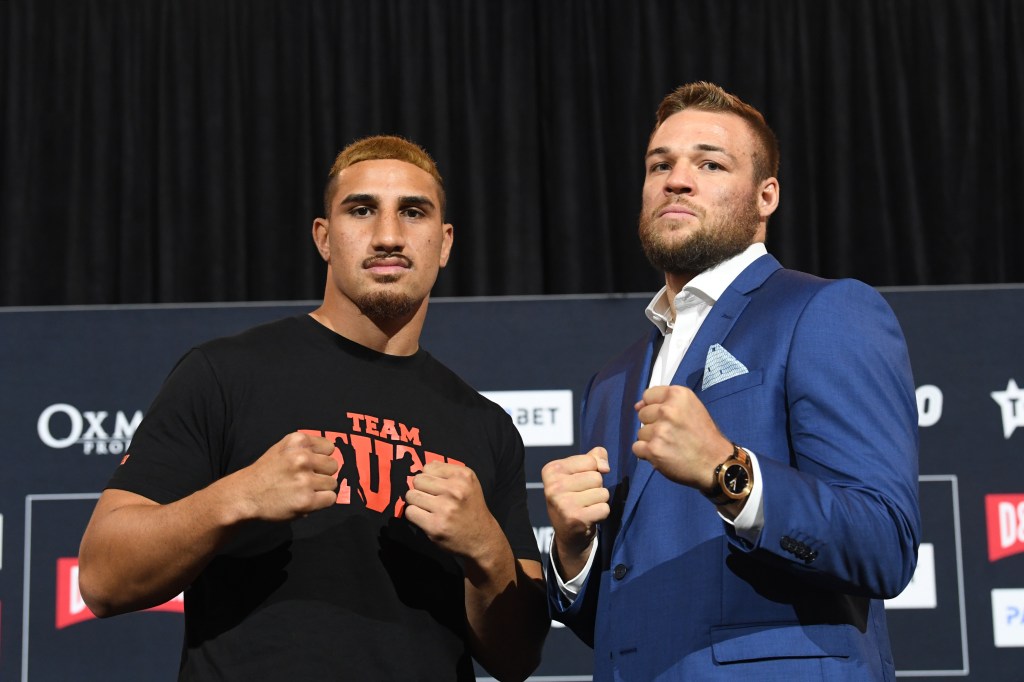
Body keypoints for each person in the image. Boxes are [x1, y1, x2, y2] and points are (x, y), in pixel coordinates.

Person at [78, 135, 549, 681]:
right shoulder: (224, 374)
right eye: (362, 209)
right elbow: (103, 579)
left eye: (413, 212)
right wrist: (239, 496)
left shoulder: (485, 425)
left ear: (444, 244)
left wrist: (486, 550)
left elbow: (517, 660)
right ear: (323, 238)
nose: (389, 235)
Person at [541, 82, 920, 680]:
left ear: (766, 195)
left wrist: (729, 473)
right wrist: (572, 551)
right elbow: (623, 617)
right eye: (658, 165)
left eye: (709, 163)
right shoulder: (612, 382)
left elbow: (884, 543)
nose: (677, 179)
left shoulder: (825, 311)